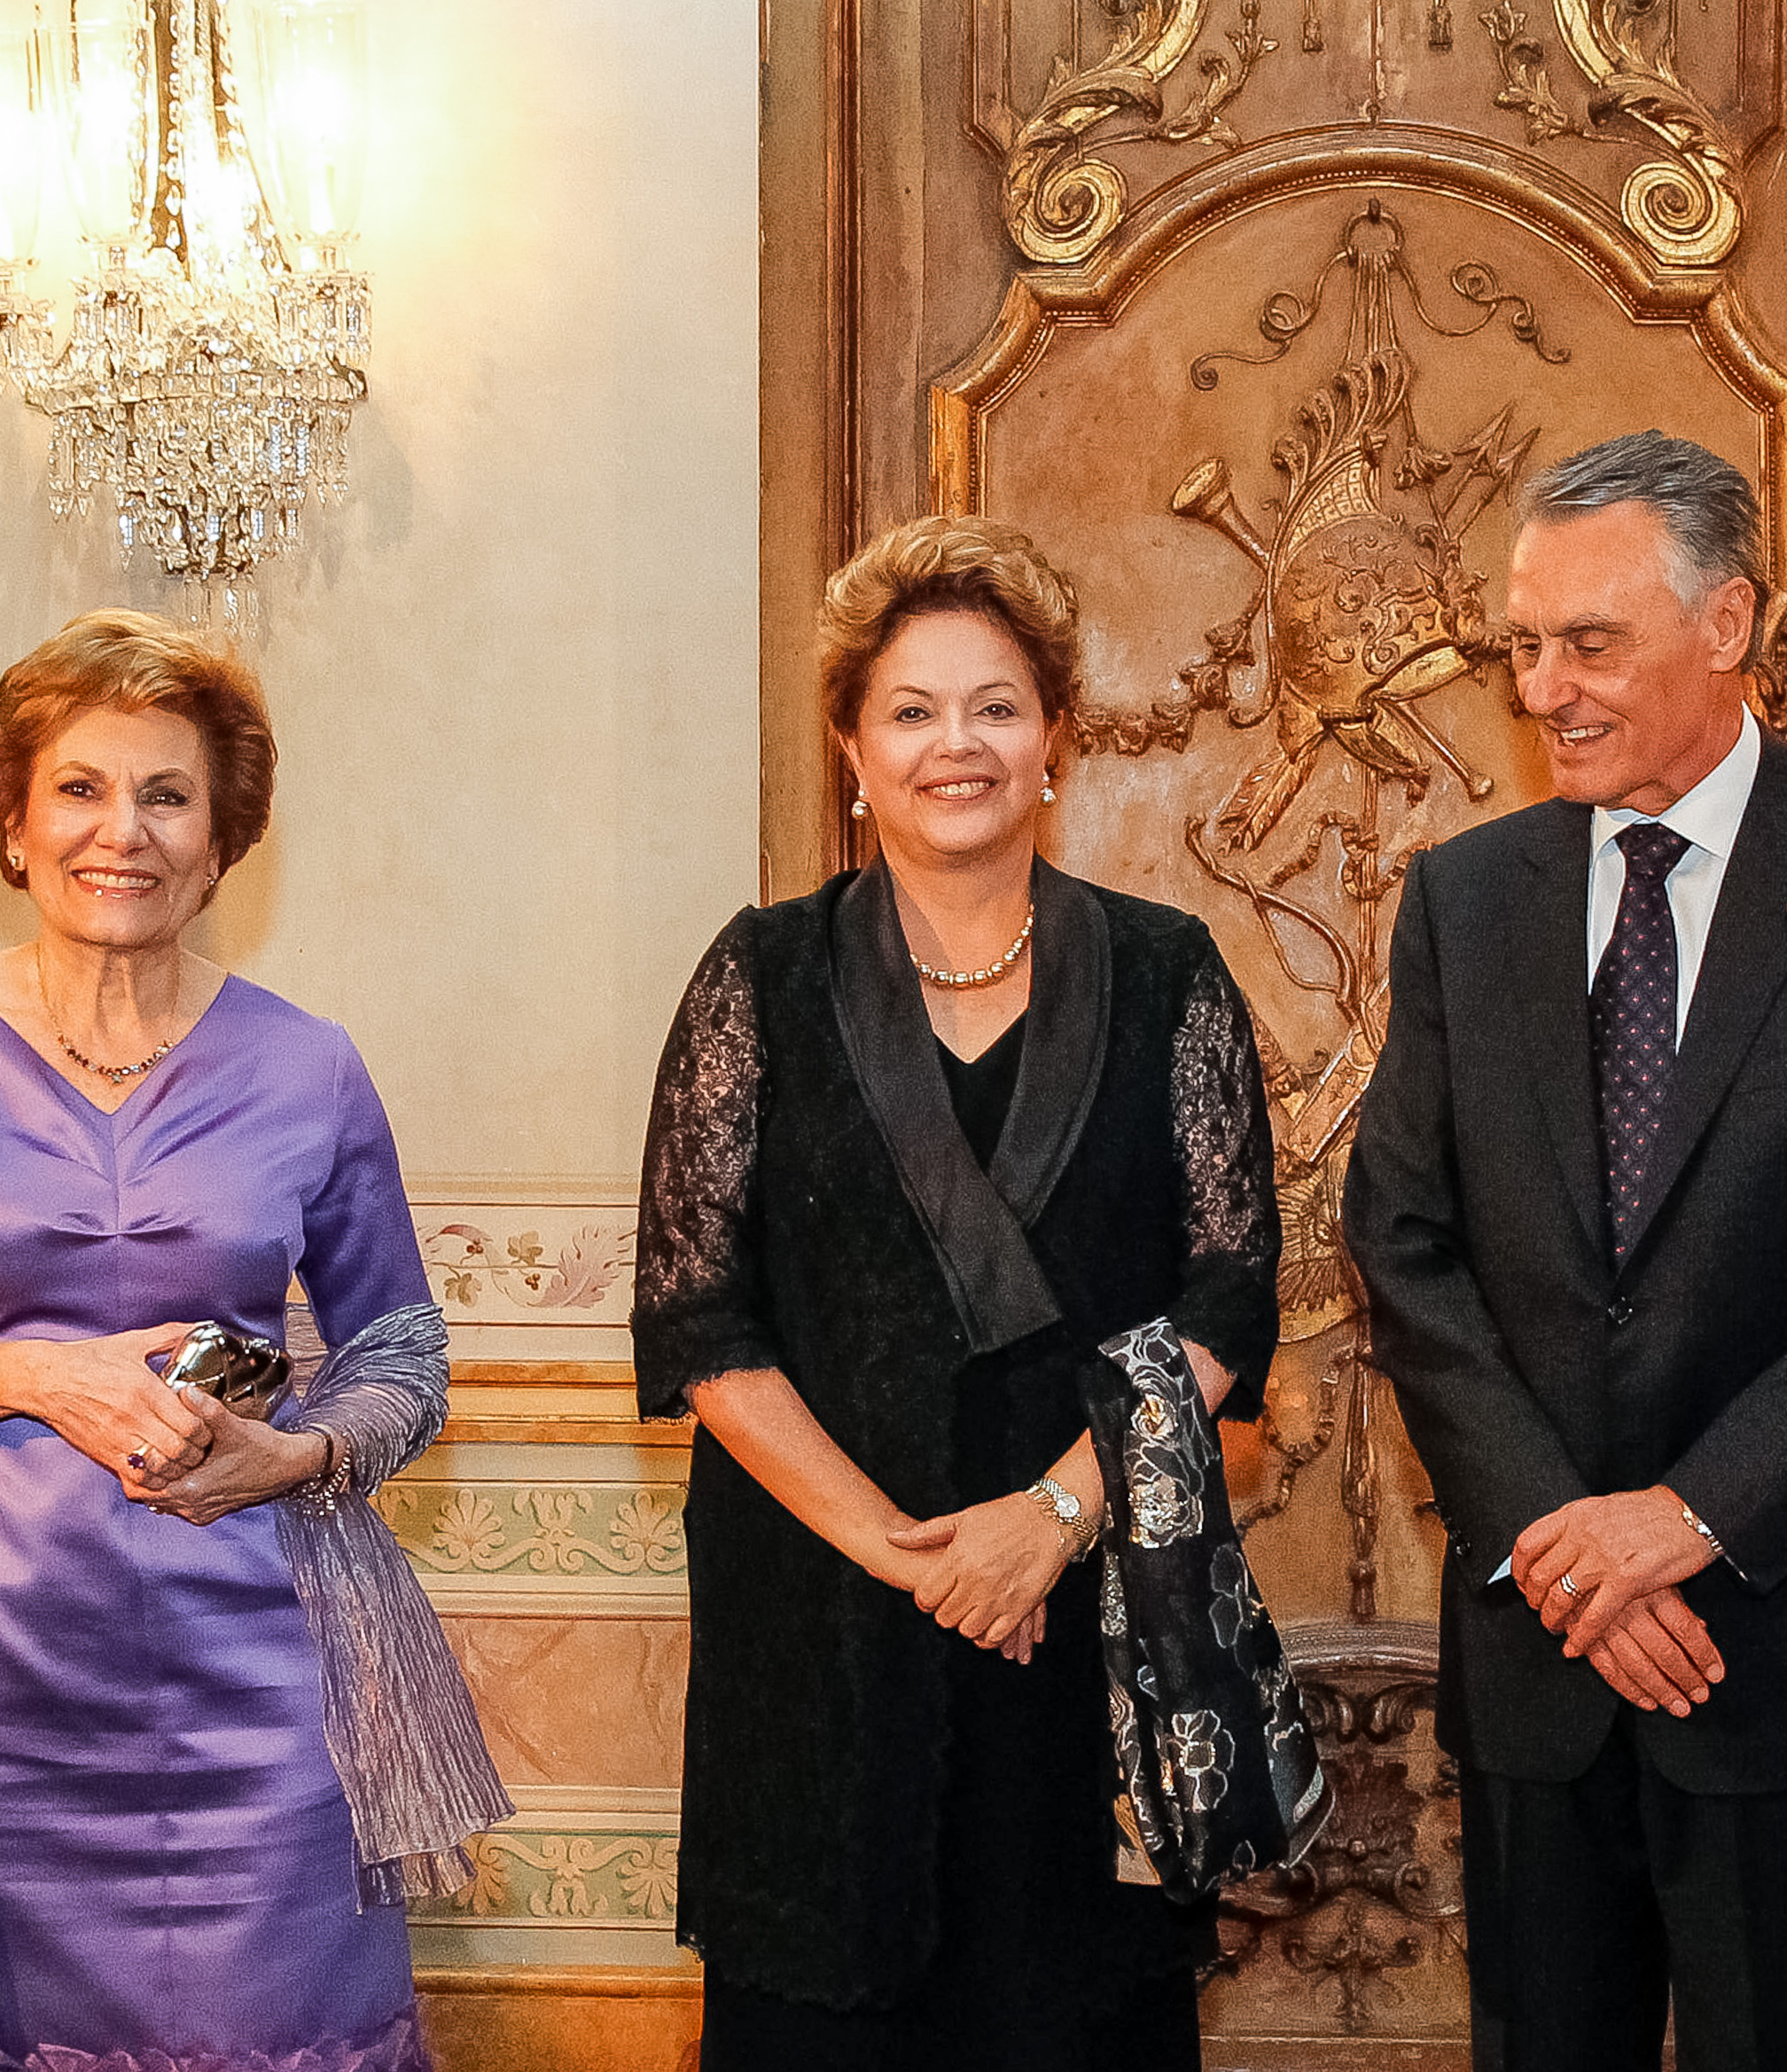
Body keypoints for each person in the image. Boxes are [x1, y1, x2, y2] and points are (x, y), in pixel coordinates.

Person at [1344, 431, 1787, 2072]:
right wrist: (1566, 1547)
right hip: (1541, 1655)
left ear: (1723, 627)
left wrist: (1689, 1517)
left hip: (1782, 1650)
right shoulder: (1462, 895)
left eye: (1590, 642)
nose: (1544, 688)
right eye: (1523, 644)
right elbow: (1404, 1238)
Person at [0, 609, 507, 2072]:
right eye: (82, 789)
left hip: (268, 1676)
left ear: (225, 842)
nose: (125, 831)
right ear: (14, 826)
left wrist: (294, 1448)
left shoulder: (309, 1063)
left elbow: (401, 1357)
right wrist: (31, 1371)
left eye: (169, 796)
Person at [633, 515, 1283, 2072]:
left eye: (995, 705)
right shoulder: (761, 976)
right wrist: (912, 1554)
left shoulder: (1167, 969)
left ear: (1057, 737)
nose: (955, 745)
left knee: (1068, 2012)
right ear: (850, 747)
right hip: (822, 1612)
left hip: (1086, 1615)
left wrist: (1045, 1523)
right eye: (909, 711)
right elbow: (697, 1315)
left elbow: (1229, 1292)